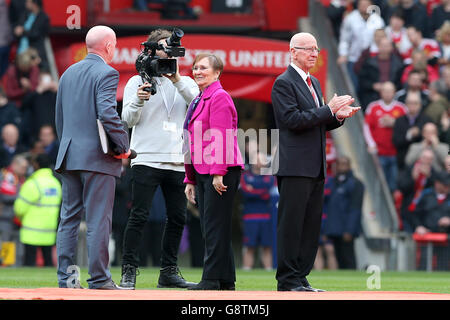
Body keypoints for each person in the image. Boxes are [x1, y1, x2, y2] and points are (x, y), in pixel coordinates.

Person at [271, 32, 360, 292]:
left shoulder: (315, 83)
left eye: (316, 49)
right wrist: (327, 110)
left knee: (310, 226)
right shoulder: (283, 82)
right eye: (308, 49)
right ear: (293, 52)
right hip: (295, 165)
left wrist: (338, 116)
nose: (314, 54)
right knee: (292, 224)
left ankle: (300, 277)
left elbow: (317, 119)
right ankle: (287, 280)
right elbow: (292, 120)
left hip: (315, 165)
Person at [119, 28, 198, 290]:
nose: (169, 50)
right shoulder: (135, 81)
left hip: (176, 159)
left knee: (178, 218)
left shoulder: (183, 81)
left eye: (171, 46)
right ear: (151, 49)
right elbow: (126, 121)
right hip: (146, 158)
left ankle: (169, 271)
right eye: (164, 46)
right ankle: (129, 271)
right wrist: (139, 101)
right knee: (138, 216)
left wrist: (175, 78)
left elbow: (196, 102)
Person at [55, 25, 130, 290]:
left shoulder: (67, 74)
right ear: (109, 46)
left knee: (69, 219)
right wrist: (123, 146)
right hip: (98, 157)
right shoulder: (107, 73)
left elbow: (60, 120)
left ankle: (68, 280)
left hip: (69, 154)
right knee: (99, 219)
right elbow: (108, 114)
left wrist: (68, 147)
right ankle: (99, 279)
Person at [184, 53, 244, 290]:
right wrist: (190, 178)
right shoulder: (199, 99)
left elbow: (221, 138)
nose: (198, 72)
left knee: (213, 226)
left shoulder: (219, 97)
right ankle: (225, 280)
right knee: (214, 225)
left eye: (203, 68)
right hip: (204, 170)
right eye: (196, 68)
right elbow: (189, 139)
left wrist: (218, 173)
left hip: (220, 170)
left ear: (217, 73)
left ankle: (210, 280)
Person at [13, 153, 61, 266]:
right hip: (49, 233)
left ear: (36, 165)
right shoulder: (56, 184)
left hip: (31, 233)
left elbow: (19, 209)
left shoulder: (32, 184)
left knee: (29, 265)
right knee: (48, 264)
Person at [363, 81, 407, 192]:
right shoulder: (373, 107)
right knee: (378, 183)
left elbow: (406, 127)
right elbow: (367, 127)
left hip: (395, 153)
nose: (387, 94)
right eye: (385, 91)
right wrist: (371, 144)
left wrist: (395, 123)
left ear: (394, 92)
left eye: (390, 91)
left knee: (393, 184)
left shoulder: (401, 108)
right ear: (381, 92)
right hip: (379, 152)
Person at [322, 156, 364, 269]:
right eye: (339, 164)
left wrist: (350, 230)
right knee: (338, 257)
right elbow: (328, 207)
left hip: (346, 229)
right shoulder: (331, 183)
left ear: (349, 166)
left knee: (348, 257)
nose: (341, 166)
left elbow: (355, 209)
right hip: (334, 228)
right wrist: (326, 229)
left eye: (344, 164)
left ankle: (353, 282)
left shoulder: (356, 184)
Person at [239, 152, 276, 271]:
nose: (260, 162)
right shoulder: (245, 176)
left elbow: (268, 193)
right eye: (258, 159)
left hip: (266, 217)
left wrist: (254, 190)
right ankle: (246, 269)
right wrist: (260, 192)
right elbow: (246, 193)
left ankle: (269, 270)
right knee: (249, 246)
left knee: (267, 246)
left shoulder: (270, 177)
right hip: (250, 217)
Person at [337, 0, 385, 91]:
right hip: (354, 58)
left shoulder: (378, 20)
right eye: (362, 4)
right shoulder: (350, 19)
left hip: (372, 60)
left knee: (369, 87)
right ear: (358, 5)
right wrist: (343, 54)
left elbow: (382, 39)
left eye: (366, 5)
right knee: (353, 87)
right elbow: (344, 39)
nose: (364, 7)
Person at [411, 170, 450, 270]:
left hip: (446, 239)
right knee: (424, 265)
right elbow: (414, 213)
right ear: (437, 183)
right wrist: (418, 226)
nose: (447, 187)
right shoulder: (425, 195)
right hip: (427, 237)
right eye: (445, 185)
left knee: (443, 267)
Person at [357, 37, 404, 109]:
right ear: (378, 47)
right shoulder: (369, 62)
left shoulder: (398, 64)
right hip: (372, 95)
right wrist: (373, 86)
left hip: (393, 96)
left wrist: (391, 87)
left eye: (387, 46)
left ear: (391, 48)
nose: (384, 48)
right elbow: (362, 80)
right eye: (382, 45)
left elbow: (400, 82)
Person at [392, 91, 432, 170]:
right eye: (410, 103)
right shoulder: (399, 120)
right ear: (406, 104)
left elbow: (430, 139)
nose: (412, 106)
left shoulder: (426, 120)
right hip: (403, 162)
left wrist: (419, 133)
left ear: (420, 105)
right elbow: (396, 141)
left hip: (422, 162)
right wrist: (409, 135)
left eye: (415, 103)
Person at [13, 0, 50, 70]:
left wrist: (23, 31)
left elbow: (36, 34)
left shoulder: (43, 17)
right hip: (21, 51)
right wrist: (17, 30)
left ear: (34, 4)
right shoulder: (26, 14)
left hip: (35, 52)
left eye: (28, 2)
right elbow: (18, 26)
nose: (26, 3)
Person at [0, 154, 28, 242]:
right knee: (6, 249)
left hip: (18, 220)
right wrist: (22, 197)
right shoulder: (5, 175)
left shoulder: (22, 178)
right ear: (14, 165)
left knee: (19, 252)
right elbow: (5, 196)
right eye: (22, 168)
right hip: (6, 219)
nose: (24, 170)